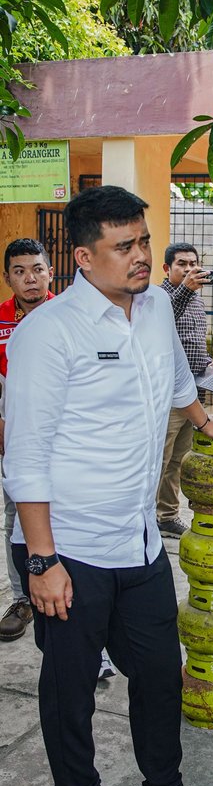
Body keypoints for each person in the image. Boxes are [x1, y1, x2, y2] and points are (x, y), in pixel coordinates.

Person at [4, 185, 213, 786]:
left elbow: (174, 380)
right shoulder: (46, 334)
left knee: (162, 672)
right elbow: (24, 458)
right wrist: (42, 559)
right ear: (82, 257)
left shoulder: (158, 305)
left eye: (142, 239)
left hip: (137, 541)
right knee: (73, 684)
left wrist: (203, 419)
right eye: (124, 246)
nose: (141, 255)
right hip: (69, 546)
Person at [0, 238, 54, 642]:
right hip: (11, 438)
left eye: (37, 268)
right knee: (14, 517)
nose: (30, 278)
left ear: (50, 272)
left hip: (59, 439)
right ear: (7, 279)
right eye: (19, 271)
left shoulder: (66, 315)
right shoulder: (0, 319)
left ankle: (65, 589)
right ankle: (22, 598)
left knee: (61, 517)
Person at [156, 243, 213, 539]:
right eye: (182, 264)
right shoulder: (158, 298)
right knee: (158, 459)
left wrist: (208, 364)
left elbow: (191, 344)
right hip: (167, 396)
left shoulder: (197, 302)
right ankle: (144, 517)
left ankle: (166, 516)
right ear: (167, 268)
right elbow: (162, 323)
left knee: (178, 460)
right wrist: (187, 289)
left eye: (194, 263)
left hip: (193, 394)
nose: (190, 269)